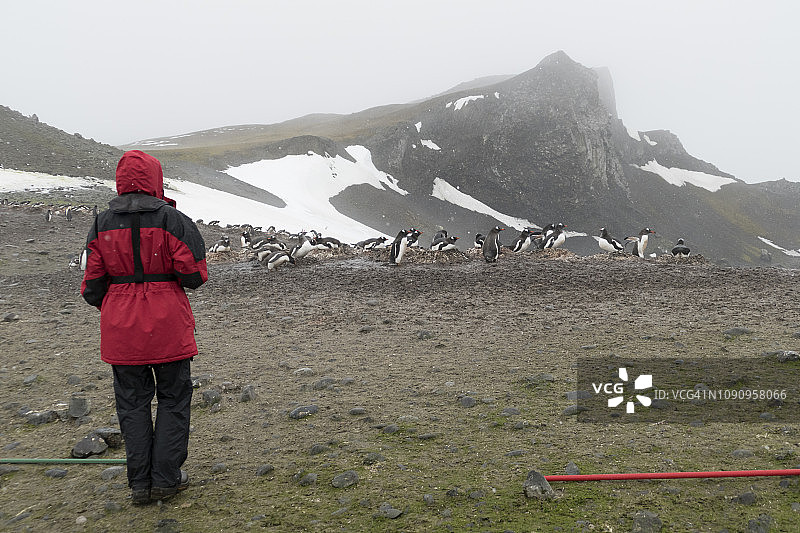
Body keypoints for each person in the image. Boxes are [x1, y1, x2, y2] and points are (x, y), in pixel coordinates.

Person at [81, 150, 208, 505]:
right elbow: (194, 275)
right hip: (167, 322)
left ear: (121, 181)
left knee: (132, 404)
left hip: (121, 328)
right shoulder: (173, 219)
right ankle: (166, 479)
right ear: (156, 179)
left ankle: (140, 484)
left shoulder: (101, 223)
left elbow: (91, 286)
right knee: (173, 399)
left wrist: (118, 300)